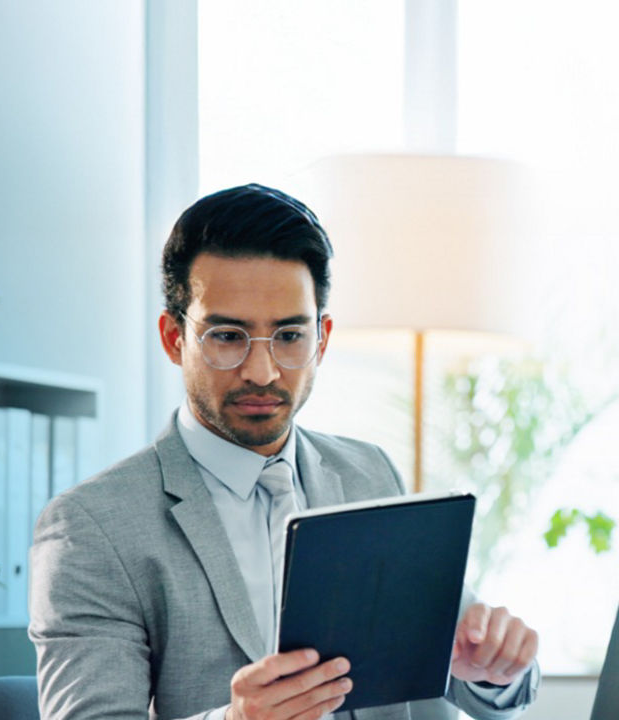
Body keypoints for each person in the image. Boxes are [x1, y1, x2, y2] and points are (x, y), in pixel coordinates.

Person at [29, 184, 539, 720]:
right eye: (228, 336)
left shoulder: (369, 473)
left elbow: (473, 679)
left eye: (289, 336)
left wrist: (496, 668)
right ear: (174, 338)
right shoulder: (90, 528)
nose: (262, 372)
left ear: (321, 339)